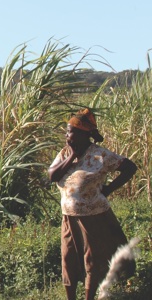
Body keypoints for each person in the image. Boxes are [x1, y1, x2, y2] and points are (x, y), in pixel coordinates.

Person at [47, 108, 137, 300]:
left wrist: (108, 190)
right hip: (68, 218)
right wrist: (71, 156)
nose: (66, 135)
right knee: (68, 260)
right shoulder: (64, 154)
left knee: (92, 262)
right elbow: (52, 176)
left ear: (83, 134)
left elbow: (130, 168)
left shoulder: (99, 155)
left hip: (94, 218)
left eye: (70, 131)